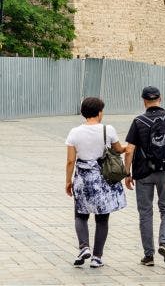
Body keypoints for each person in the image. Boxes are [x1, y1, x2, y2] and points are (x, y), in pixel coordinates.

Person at [124, 85, 165, 267]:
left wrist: (127, 173)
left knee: (145, 212)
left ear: (144, 101)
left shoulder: (138, 121)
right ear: (160, 98)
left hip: (143, 173)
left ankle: (148, 255)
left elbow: (129, 150)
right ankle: (164, 243)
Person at [65, 97, 128, 268]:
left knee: (80, 215)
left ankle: (84, 247)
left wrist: (68, 181)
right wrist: (128, 148)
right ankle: (97, 258)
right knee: (102, 219)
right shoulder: (108, 130)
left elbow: (70, 161)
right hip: (102, 180)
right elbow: (118, 149)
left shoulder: (74, 132)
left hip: (82, 179)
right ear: (99, 112)